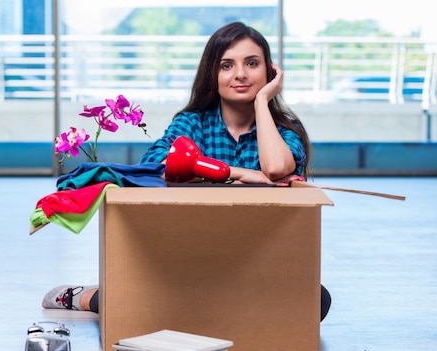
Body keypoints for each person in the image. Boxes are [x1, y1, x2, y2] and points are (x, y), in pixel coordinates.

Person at [42, 21, 331, 321]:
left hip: (258, 257)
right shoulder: (192, 123)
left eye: (252, 63)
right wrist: (238, 173)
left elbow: (274, 167)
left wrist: (262, 101)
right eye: (227, 65)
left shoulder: (285, 131)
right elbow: (154, 167)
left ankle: (209, 307)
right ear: (212, 74)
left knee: (316, 299)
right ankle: (86, 296)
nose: (241, 74)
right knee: (137, 294)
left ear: (270, 73)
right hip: (189, 257)